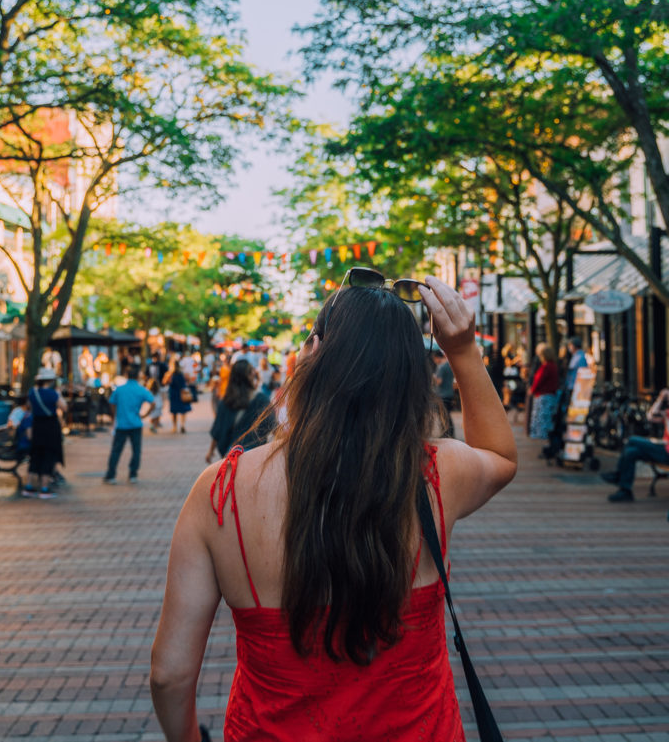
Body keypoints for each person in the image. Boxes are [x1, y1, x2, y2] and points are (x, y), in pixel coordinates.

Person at [149, 274, 517, 741]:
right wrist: (463, 351)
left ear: (311, 352)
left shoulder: (220, 492)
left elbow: (170, 674)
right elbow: (501, 457)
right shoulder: (434, 472)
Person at [602, 388, 669, 502]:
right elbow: (650, 416)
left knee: (632, 440)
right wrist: (660, 399)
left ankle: (618, 475)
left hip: (666, 452)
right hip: (662, 449)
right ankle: (625, 490)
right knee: (631, 453)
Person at [206, 359, 274, 463]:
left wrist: (210, 452)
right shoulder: (262, 400)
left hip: (233, 456)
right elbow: (273, 426)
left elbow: (218, 429)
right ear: (250, 375)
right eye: (251, 370)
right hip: (256, 455)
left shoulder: (227, 401)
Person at [103, 364, 155, 484]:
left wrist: (115, 415)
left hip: (121, 424)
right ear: (137, 376)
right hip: (136, 423)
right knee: (136, 450)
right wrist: (145, 415)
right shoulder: (141, 389)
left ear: (126, 375)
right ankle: (133, 474)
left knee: (116, 450)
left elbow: (111, 402)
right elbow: (153, 403)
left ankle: (111, 475)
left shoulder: (119, 389)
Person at [24, 367, 67, 499]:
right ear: (50, 380)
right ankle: (44, 488)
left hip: (37, 425)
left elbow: (28, 406)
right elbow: (64, 407)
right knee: (49, 455)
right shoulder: (52, 394)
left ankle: (29, 486)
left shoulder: (32, 392)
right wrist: (59, 394)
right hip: (50, 426)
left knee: (36, 454)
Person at [528, 343, 559, 443]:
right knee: (545, 418)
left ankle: (542, 437)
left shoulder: (546, 367)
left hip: (544, 395)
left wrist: (532, 389)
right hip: (549, 395)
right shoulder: (552, 366)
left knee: (542, 419)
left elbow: (539, 380)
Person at [164, 356, 192, 434]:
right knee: (183, 411)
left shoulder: (170, 374)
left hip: (173, 394)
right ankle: (183, 425)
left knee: (174, 411)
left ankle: (175, 427)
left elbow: (165, 382)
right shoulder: (183, 373)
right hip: (182, 393)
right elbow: (189, 380)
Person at [433, 350, 455, 438]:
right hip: (450, 393)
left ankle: (445, 433)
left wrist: (433, 378)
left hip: (442, 394)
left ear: (437, 358)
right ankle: (450, 432)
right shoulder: (449, 366)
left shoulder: (440, 367)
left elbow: (439, 381)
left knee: (443, 415)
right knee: (447, 414)